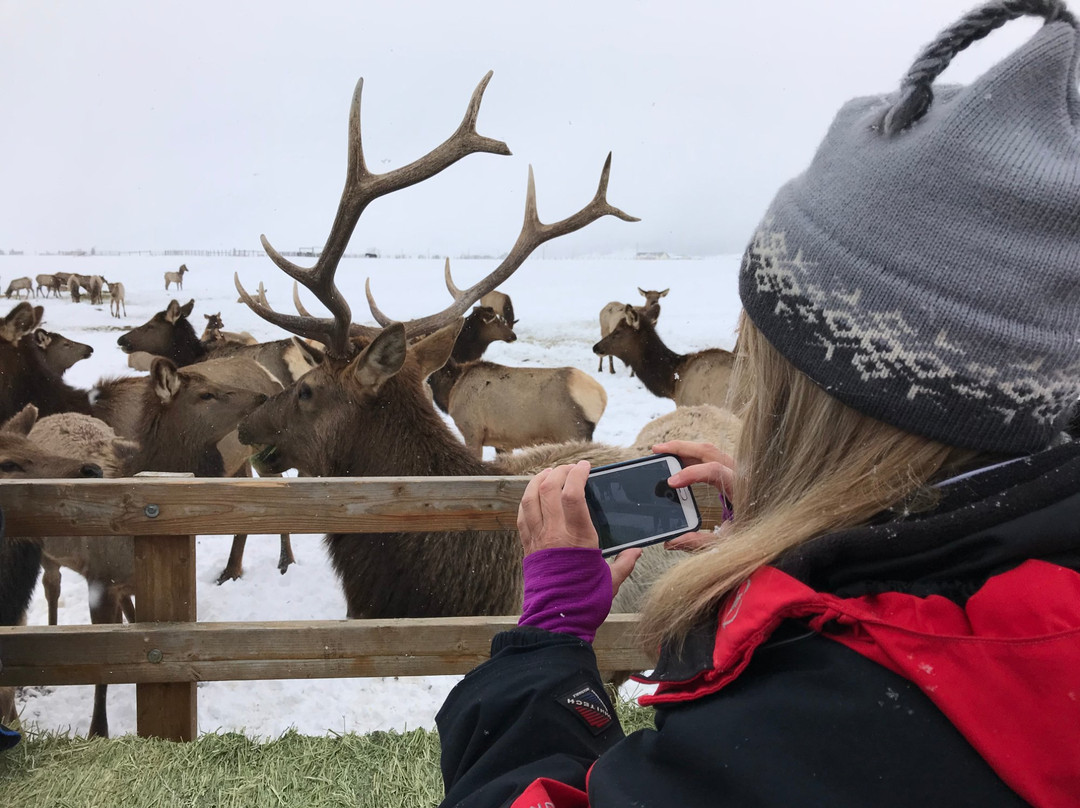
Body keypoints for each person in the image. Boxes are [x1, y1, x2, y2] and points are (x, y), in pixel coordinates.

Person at [436, 1, 1080, 805]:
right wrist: (817, 548)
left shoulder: (807, 737)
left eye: (765, 355)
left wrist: (546, 644)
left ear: (819, 392)